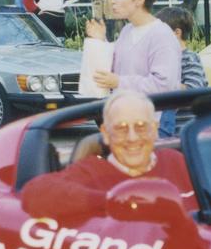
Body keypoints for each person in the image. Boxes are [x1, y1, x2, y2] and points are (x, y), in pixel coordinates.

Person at [21, 90, 192, 218]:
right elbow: (34, 194)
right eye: (120, 128)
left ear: (154, 130)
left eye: (141, 126)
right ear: (105, 134)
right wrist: (111, 200)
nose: (132, 138)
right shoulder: (92, 171)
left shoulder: (176, 162)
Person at [85, 0, 181, 110]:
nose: (112, 1)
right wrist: (101, 40)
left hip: (153, 118)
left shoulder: (162, 35)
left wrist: (119, 82)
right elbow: (113, 69)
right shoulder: (127, 31)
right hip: (126, 114)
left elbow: (164, 86)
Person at [155, 6, 208, 137]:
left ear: (176, 33)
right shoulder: (162, 59)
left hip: (185, 129)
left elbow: (193, 89)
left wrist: (160, 83)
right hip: (167, 128)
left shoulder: (189, 58)